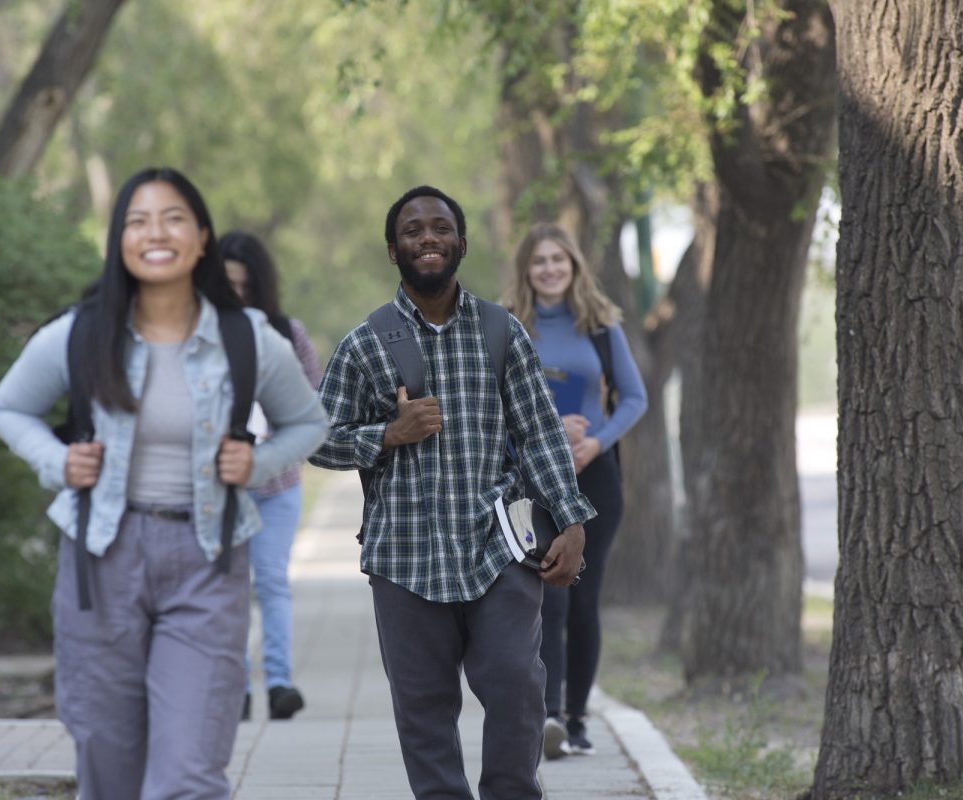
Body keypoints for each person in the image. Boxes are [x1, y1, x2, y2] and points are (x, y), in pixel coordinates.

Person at [0, 167, 327, 800]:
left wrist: (256, 464)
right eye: (138, 221)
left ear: (201, 238)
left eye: (173, 218)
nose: (156, 233)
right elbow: (9, 408)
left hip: (208, 562)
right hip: (100, 561)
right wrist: (57, 462)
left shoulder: (244, 337)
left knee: (189, 776)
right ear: (119, 240)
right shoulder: (83, 332)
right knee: (110, 773)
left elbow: (308, 421)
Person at [309, 185, 595, 800]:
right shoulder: (366, 343)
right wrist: (388, 434)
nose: (428, 239)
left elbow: (541, 433)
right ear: (394, 251)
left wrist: (571, 524)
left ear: (461, 243)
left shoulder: (501, 332)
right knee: (424, 708)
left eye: (441, 228)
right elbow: (314, 440)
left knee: (518, 682)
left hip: (498, 549)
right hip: (405, 558)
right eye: (413, 231)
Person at [506, 222, 648, 759]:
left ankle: (577, 718)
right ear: (526, 268)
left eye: (558, 260)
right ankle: (544, 716)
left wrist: (596, 443)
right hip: (529, 480)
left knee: (584, 599)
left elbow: (634, 398)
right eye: (539, 260)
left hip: (594, 479)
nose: (549, 269)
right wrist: (543, 432)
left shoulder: (601, 326)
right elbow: (490, 405)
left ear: (574, 267)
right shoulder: (507, 327)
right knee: (543, 598)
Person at [220, 230, 323, 721]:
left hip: (278, 484)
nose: (236, 293)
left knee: (271, 583)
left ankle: (279, 683)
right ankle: (234, 686)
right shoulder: (201, 334)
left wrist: (274, 447)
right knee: (230, 586)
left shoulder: (288, 333)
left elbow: (313, 409)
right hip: (219, 488)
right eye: (226, 284)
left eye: (245, 285)